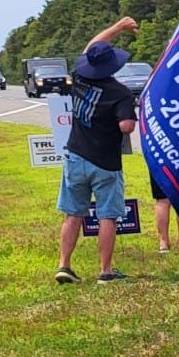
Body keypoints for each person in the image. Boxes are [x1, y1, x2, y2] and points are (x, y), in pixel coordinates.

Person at [55, 17, 140, 284]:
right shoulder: (120, 93)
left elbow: (92, 44)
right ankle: (105, 270)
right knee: (108, 215)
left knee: (73, 213)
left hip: (76, 155)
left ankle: (64, 265)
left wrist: (116, 27)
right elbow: (126, 127)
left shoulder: (79, 76)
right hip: (106, 162)